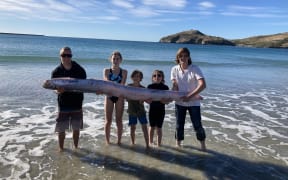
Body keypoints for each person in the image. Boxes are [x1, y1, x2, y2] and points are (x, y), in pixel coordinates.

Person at [170, 47, 207, 151]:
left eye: (185, 55)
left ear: (189, 57)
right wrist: (169, 95)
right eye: (181, 56)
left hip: (194, 103)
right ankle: (178, 146)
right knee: (178, 125)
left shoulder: (194, 68)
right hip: (179, 102)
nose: (183, 58)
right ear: (178, 57)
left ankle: (203, 147)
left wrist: (189, 96)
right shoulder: (174, 69)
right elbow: (175, 86)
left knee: (197, 125)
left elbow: (203, 85)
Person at [51, 46, 87, 152]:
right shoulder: (56, 72)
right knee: (61, 130)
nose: (66, 57)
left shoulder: (80, 69)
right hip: (63, 104)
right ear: (60, 56)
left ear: (71, 56)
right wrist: (58, 91)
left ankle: (76, 148)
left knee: (76, 129)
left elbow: (85, 86)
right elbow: (54, 88)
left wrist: (98, 90)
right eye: (64, 55)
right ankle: (61, 149)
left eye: (69, 55)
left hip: (77, 104)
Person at [103, 51, 127, 145]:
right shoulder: (106, 71)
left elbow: (122, 85)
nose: (115, 60)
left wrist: (113, 88)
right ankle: (107, 142)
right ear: (110, 59)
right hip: (109, 96)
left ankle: (119, 141)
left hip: (119, 97)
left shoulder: (124, 72)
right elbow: (106, 82)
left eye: (117, 59)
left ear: (121, 60)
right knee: (108, 120)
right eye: (114, 58)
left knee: (119, 120)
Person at [126, 70, 149, 149]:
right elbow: (126, 98)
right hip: (131, 110)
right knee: (132, 128)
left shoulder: (143, 88)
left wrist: (143, 99)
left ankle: (147, 145)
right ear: (132, 77)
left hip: (141, 111)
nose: (136, 78)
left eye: (138, 76)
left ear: (141, 78)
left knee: (144, 128)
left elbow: (147, 100)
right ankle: (133, 143)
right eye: (135, 76)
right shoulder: (128, 86)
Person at [147, 70, 170, 147]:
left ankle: (159, 144)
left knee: (159, 128)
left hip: (161, 111)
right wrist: (148, 101)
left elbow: (168, 100)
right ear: (152, 78)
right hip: (152, 110)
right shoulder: (150, 87)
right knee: (151, 127)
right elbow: (145, 98)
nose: (157, 77)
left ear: (162, 77)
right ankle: (150, 142)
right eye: (155, 76)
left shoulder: (165, 87)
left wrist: (165, 102)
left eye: (159, 75)